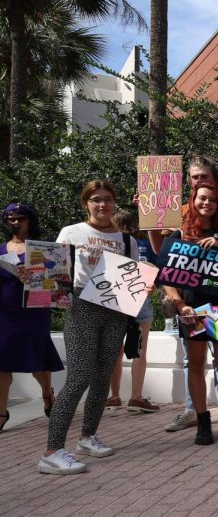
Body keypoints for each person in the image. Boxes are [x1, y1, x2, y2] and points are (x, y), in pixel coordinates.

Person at [39, 181, 140, 474]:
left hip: (116, 310)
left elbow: (131, 278)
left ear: (114, 203)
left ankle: (87, 437)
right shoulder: (71, 233)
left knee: (102, 376)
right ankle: (52, 451)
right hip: (82, 306)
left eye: (108, 199)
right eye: (96, 200)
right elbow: (53, 273)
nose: (102, 205)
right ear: (86, 203)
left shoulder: (127, 239)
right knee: (79, 376)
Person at [161, 183, 218, 445]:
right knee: (197, 364)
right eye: (202, 198)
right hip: (193, 307)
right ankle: (202, 422)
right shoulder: (179, 232)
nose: (207, 203)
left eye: (212, 199)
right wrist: (179, 304)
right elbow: (167, 273)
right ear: (193, 199)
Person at [0, 204, 64, 432]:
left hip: (34, 310)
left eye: (20, 218)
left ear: (30, 220)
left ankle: (47, 395)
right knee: (2, 362)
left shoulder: (43, 248)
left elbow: (57, 280)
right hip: (5, 311)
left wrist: (33, 277)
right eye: (10, 218)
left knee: (38, 359)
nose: (15, 222)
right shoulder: (1, 249)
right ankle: (1, 412)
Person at [106, 211, 158, 413]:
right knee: (139, 349)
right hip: (140, 297)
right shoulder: (143, 243)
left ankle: (114, 396)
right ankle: (136, 397)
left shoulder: (111, 244)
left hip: (115, 299)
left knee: (114, 351)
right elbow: (156, 269)